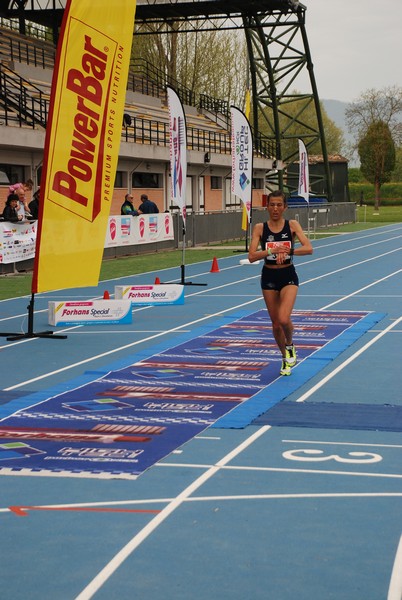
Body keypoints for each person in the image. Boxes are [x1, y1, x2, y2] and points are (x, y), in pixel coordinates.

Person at [248, 190, 313, 376]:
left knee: (284, 318)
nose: (275, 208)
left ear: (285, 207)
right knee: (276, 324)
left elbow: (309, 248)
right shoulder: (260, 228)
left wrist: (288, 250)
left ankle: (290, 344)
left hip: (288, 275)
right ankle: (285, 358)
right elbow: (252, 256)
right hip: (268, 277)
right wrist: (271, 251)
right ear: (267, 206)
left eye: (279, 205)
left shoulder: (291, 225)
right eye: (272, 204)